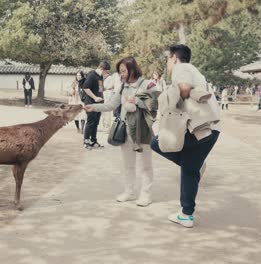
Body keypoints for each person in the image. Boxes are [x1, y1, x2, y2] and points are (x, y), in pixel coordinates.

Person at [150, 44, 220, 228]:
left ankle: (187, 211)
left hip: (199, 128)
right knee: (189, 170)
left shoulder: (182, 68)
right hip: (211, 129)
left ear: (174, 57)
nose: (167, 62)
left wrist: (169, 104)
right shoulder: (197, 72)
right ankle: (186, 214)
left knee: (157, 143)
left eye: (167, 58)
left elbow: (184, 88)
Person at [84, 56, 155, 206]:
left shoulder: (147, 84)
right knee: (128, 165)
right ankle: (129, 192)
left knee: (145, 166)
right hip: (126, 130)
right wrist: (93, 107)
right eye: (120, 72)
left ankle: (145, 195)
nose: (121, 74)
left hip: (143, 131)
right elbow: (110, 105)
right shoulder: (122, 87)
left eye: (123, 71)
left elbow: (153, 104)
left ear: (132, 69)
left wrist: (135, 101)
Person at [82, 61, 111, 149]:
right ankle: (86, 141)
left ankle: (93, 141)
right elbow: (85, 88)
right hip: (91, 102)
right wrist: (95, 97)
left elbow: (99, 88)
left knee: (96, 123)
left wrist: (106, 89)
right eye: (106, 71)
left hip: (99, 104)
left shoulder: (100, 76)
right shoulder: (92, 75)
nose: (107, 73)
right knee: (90, 122)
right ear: (102, 68)